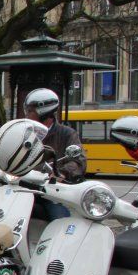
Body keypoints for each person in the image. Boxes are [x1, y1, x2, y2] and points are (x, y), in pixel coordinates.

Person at [24, 88, 84, 221]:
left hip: (53, 191)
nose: (27, 115)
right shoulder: (24, 132)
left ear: (43, 113)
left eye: (30, 111)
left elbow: (78, 160)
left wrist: (61, 173)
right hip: (25, 187)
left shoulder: (67, 134)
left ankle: (64, 240)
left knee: (60, 218)